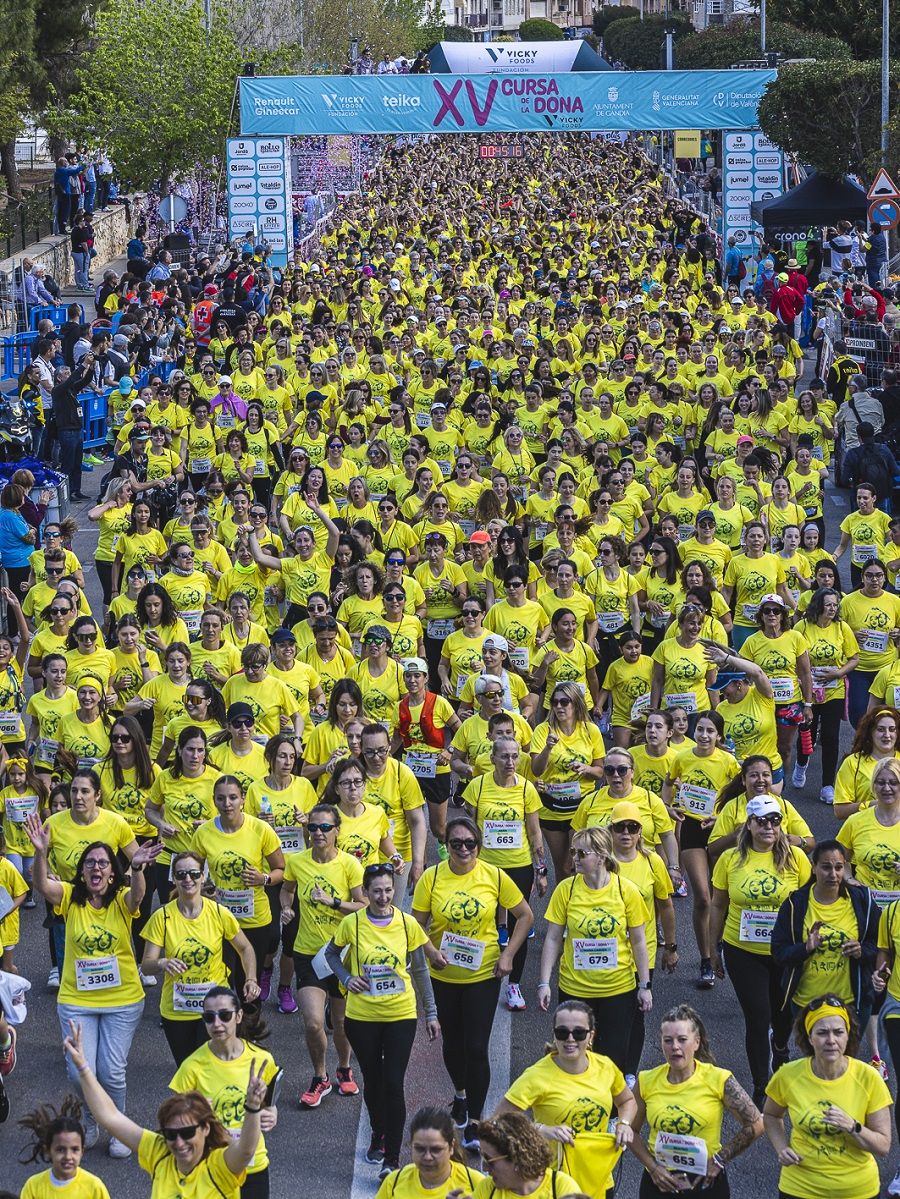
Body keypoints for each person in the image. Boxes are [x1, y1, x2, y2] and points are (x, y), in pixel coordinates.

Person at [25, 816, 160, 1154]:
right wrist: (40, 853)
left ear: (113, 872)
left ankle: (118, 1128)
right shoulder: (70, 896)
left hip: (123, 999)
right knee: (77, 1071)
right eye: (90, 863)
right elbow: (42, 885)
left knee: (111, 1071)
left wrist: (139, 869)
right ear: (82, 871)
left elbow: (138, 898)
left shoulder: (121, 898)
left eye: (103, 863)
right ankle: (89, 1117)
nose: (96, 868)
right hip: (76, 999)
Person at [411, 815, 533, 1151]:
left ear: (478, 846)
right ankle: (460, 1094)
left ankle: (476, 1122)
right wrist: (431, 950)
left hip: (483, 975)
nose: (464, 849)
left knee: (477, 1048)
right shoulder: (433, 878)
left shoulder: (493, 875)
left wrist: (508, 954)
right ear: (446, 847)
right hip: (443, 974)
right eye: (456, 843)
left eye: (470, 843)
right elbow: (415, 924)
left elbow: (526, 915)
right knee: (453, 1045)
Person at [61, 1018, 266, 1198]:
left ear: (205, 1128)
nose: (178, 1142)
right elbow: (109, 1116)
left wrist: (253, 1107)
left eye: (187, 1132)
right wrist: (83, 1067)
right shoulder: (160, 1151)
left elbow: (247, 1150)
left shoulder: (220, 1165)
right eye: (170, 1133)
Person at [325, 863, 442, 1178]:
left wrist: (430, 1013)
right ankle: (378, 1129)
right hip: (361, 1017)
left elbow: (420, 970)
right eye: (376, 890)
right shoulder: (353, 924)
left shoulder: (407, 924)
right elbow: (331, 955)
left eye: (389, 890)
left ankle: (392, 1156)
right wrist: (347, 978)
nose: (383, 896)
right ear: (365, 891)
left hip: (400, 1015)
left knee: (393, 1082)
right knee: (373, 1081)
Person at [709, 795, 813, 1108]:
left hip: (785, 951)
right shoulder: (731, 859)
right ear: (750, 824)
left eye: (775, 820)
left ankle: (780, 1047)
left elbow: (812, 901)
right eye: (762, 821)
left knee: (782, 1018)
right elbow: (717, 904)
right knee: (758, 1016)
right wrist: (713, 949)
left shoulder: (796, 858)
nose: (769, 826)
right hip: (743, 950)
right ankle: (760, 1085)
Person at [495, 999, 635, 1196]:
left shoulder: (605, 1066)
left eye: (579, 1033)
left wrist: (624, 1123)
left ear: (591, 1036)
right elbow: (499, 1120)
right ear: (554, 1035)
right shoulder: (536, 1075)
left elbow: (627, 1101)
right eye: (562, 1032)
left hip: (599, 1177)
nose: (570, 1039)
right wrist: (542, 1130)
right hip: (552, 1182)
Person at [280, 801, 365, 1110]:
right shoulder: (297, 862)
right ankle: (320, 1077)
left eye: (325, 828)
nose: (318, 833)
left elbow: (363, 905)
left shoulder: (350, 865)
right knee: (314, 1022)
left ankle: (344, 1068)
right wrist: (287, 907)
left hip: (341, 955)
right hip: (307, 953)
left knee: (341, 1021)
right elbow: (287, 890)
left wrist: (332, 903)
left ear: (337, 832)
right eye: (313, 827)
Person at [629, 1004, 763, 1199]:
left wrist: (719, 1160)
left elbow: (756, 1124)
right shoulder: (646, 1080)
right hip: (659, 1182)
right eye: (668, 1040)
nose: (675, 1046)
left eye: (682, 1040)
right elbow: (630, 1129)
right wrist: (653, 1168)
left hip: (705, 1182)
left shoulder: (719, 1079)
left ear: (697, 1042)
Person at [763, 997, 892, 1199]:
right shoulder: (788, 1075)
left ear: (848, 1036)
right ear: (809, 1037)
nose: (831, 1040)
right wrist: (782, 1147)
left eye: (838, 1032)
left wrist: (852, 1126)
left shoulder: (868, 1078)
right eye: (822, 1033)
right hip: (799, 1188)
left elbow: (883, 1146)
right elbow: (771, 1115)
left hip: (857, 1190)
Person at [141, 850, 261, 1065]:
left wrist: (251, 979)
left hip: (215, 1008)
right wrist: (162, 962)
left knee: (214, 1068)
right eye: (181, 874)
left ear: (203, 877)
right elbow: (147, 965)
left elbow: (245, 948)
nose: (188, 879)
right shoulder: (163, 916)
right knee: (187, 1070)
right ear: (174, 878)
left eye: (194, 874)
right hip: (177, 1009)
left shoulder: (218, 913)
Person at [169, 987, 279, 1199]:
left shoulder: (263, 1060)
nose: (217, 1023)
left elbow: (267, 1103)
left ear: (238, 1016)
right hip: (211, 1167)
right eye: (209, 1018)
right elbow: (173, 1123)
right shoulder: (192, 1067)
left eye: (224, 1015)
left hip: (253, 1165)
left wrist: (272, 1112)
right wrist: (196, 1115)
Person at [463, 736, 547, 1012]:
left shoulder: (526, 790)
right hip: (485, 867)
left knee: (517, 925)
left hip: (518, 865)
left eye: (515, 756)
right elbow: (469, 829)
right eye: (505, 757)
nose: (511, 762)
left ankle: (514, 985)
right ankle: (479, 977)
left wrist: (541, 869)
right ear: (493, 759)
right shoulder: (477, 786)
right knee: (480, 921)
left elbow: (535, 832)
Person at [192, 775, 284, 995]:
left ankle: (250, 1026)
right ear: (214, 801)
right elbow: (192, 871)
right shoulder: (204, 833)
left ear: (243, 799)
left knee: (249, 986)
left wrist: (264, 879)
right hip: (219, 918)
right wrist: (200, 889)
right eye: (221, 798)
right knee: (224, 982)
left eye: (233, 797)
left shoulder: (260, 829)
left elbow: (281, 869)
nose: (227, 804)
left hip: (255, 920)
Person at [772, 839, 878, 1021]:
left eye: (838, 868)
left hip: (851, 1005)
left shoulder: (862, 901)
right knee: (815, 1051)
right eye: (826, 867)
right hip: (807, 1004)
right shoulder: (794, 904)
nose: (833, 874)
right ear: (813, 868)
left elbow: (879, 944)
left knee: (846, 1051)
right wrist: (805, 948)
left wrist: (861, 951)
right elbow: (779, 952)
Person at [373, 1106, 484, 1199]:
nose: (427, 1157)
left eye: (436, 1150)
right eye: (420, 1149)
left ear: (451, 1147)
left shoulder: (477, 1184)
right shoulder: (394, 1182)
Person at [18, 1096, 112, 1199]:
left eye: (75, 1149)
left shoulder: (94, 1187)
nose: (68, 1156)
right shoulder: (33, 1187)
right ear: (48, 1151)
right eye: (60, 1150)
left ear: (82, 1151)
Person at [472, 1112, 581, 1199]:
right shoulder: (487, 1189)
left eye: (489, 1160)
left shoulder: (561, 1188)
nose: (484, 1168)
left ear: (516, 1158)